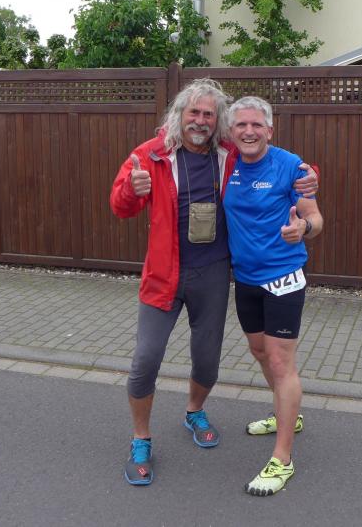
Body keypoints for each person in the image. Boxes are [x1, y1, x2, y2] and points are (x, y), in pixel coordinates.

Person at [110, 79, 318, 486]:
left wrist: (310, 176)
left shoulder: (228, 154)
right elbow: (120, 207)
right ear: (179, 114)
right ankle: (140, 438)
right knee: (145, 360)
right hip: (163, 275)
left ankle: (194, 411)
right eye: (194, 113)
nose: (201, 121)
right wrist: (132, 192)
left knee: (207, 360)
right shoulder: (150, 155)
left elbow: (275, 161)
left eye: (208, 114)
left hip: (213, 274)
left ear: (217, 120)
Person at [222, 96, 324, 497]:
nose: (249, 131)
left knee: (281, 363)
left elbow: (315, 217)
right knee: (260, 352)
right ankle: (288, 413)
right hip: (245, 279)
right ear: (231, 132)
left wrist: (304, 230)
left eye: (256, 125)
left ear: (269, 129)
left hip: (283, 277)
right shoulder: (226, 163)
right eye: (241, 125)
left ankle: (283, 459)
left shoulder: (290, 165)